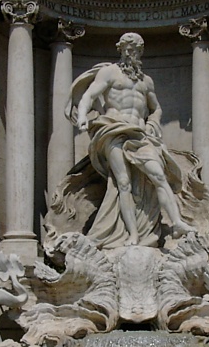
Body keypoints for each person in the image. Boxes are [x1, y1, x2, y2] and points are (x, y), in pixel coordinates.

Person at [68, 32, 196, 247]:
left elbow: (156, 108)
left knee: (158, 175)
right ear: (120, 50)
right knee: (124, 183)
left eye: (135, 49)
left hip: (140, 134)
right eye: (127, 48)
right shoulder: (110, 72)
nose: (130, 52)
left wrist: (153, 123)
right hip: (113, 130)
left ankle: (176, 222)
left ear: (140, 52)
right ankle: (133, 235)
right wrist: (82, 115)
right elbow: (89, 95)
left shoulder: (146, 82)